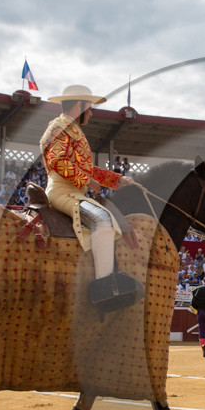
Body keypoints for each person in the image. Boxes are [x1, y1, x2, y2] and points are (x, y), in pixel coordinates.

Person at [40, 84, 140, 312]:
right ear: (80, 105)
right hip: (63, 191)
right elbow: (58, 160)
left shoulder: (70, 128)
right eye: (90, 107)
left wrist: (116, 179)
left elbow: (87, 169)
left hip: (72, 189)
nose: (92, 113)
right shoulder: (60, 126)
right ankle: (105, 292)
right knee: (103, 221)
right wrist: (85, 182)